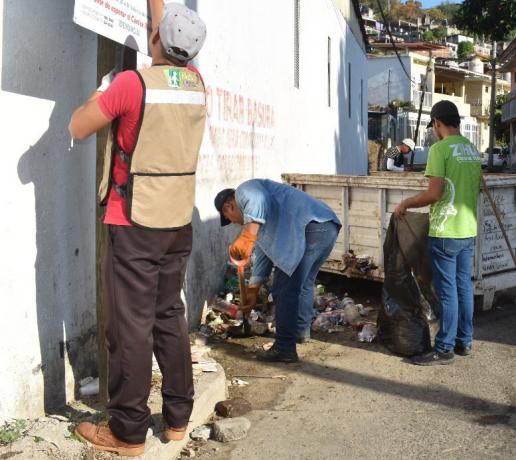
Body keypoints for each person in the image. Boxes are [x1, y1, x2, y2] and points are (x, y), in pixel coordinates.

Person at [67, 2, 207, 456]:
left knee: (130, 326)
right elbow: (167, 33)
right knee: (169, 317)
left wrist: (99, 93)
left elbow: (78, 126)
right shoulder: (197, 84)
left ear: (154, 41)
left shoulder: (131, 85)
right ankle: (178, 420)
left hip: (133, 221)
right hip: (176, 222)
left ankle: (127, 433)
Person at [393, 101, 481, 366]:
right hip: (467, 229)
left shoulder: (439, 150)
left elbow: (434, 194)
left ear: (436, 123)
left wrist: (406, 203)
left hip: (445, 231)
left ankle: (444, 348)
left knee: (448, 291)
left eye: (433, 125)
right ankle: (464, 342)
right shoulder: (471, 149)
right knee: (464, 286)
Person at [215, 179, 340, 363]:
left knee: (283, 289)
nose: (235, 223)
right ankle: (299, 332)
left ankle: (284, 348)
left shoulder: (245, 190)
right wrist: (251, 294)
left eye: (231, 220)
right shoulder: (260, 225)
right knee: (303, 284)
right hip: (326, 226)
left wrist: (246, 237)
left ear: (229, 207)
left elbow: (257, 198)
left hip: (311, 227)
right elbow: (263, 261)